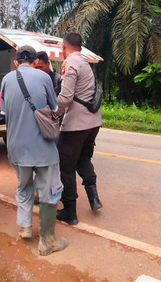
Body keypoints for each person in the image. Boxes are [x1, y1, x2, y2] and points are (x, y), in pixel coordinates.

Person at [0, 45, 68, 255]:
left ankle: (26, 228)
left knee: (23, 187)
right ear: (36, 61)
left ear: (16, 62)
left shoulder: (6, 79)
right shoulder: (43, 77)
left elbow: (3, 111)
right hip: (43, 148)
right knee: (49, 192)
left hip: (16, 148)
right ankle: (47, 241)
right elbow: (55, 108)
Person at [55, 33, 103, 226]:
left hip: (76, 125)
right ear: (80, 47)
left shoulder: (70, 63)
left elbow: (65, 97)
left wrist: (55, 113)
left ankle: (70, 211)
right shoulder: (84, 62)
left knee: (65, 166)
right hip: (93, 123)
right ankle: (94, 199)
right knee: (83, 159)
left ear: (64, 46)